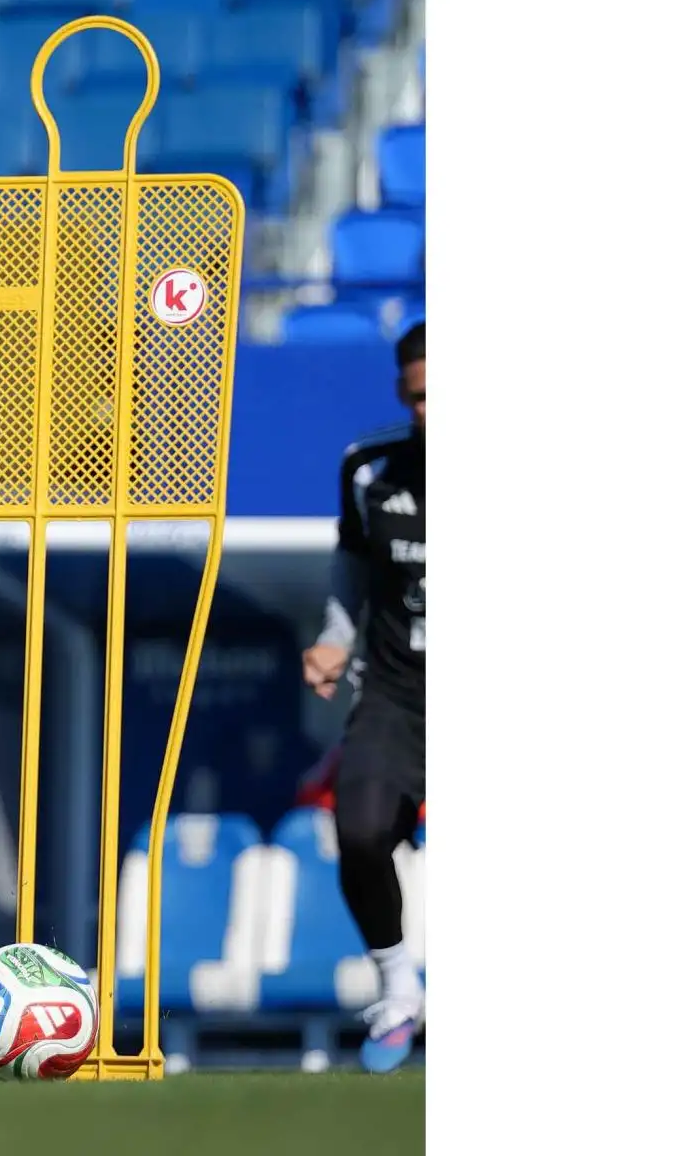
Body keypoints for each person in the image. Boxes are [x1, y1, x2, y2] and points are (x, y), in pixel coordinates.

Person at [300, 318, 426, 1074]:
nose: (428, 412)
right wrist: (334, 638)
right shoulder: (369, 468)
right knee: (361, 830)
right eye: (418, 397)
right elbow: (352, 568)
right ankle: (399, 988)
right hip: (397, 691)